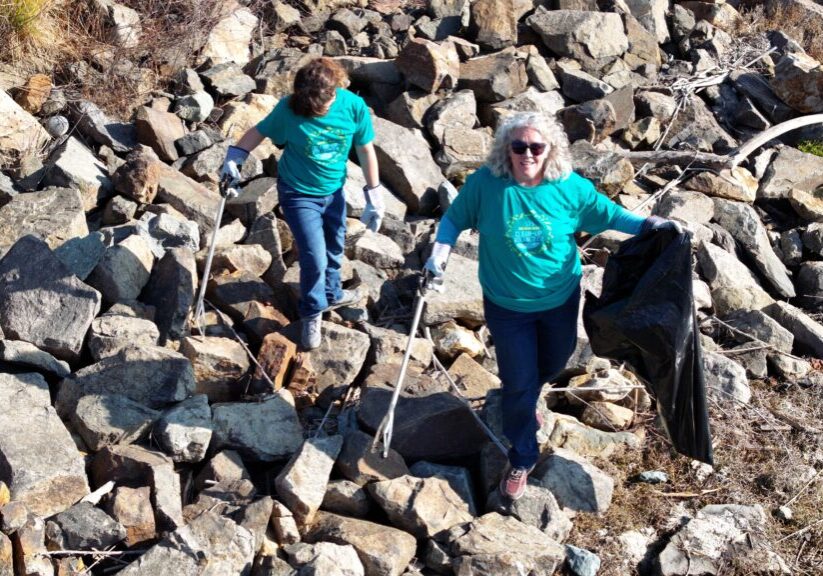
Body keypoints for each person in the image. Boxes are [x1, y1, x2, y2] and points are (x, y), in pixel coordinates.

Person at [424, 111, 680, 501]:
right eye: (519, 146)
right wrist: (438, 255)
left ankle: (526, 401)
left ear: (550, 150)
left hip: (559, 300)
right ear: (506, 149)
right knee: (518, 382)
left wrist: (654, 226)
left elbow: (611, 215)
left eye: (536, 147)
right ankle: (523, 454)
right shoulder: (487, 185)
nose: (527, 153)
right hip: (507, 306)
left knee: (555, 362)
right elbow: (453, 220)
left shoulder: (569, 188)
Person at [221, 57, 386, 350]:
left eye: (321, 106)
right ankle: (312, 311)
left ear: (333, 91)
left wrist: (374, 193)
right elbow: (258, 131)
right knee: (314, 256)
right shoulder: (289, 109)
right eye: (311, 107)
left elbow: (365, 148)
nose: (317, 111)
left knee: (335, 244)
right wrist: (235, 157)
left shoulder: (352, 107)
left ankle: (333, 294)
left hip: (334, 191)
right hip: (298, 194)